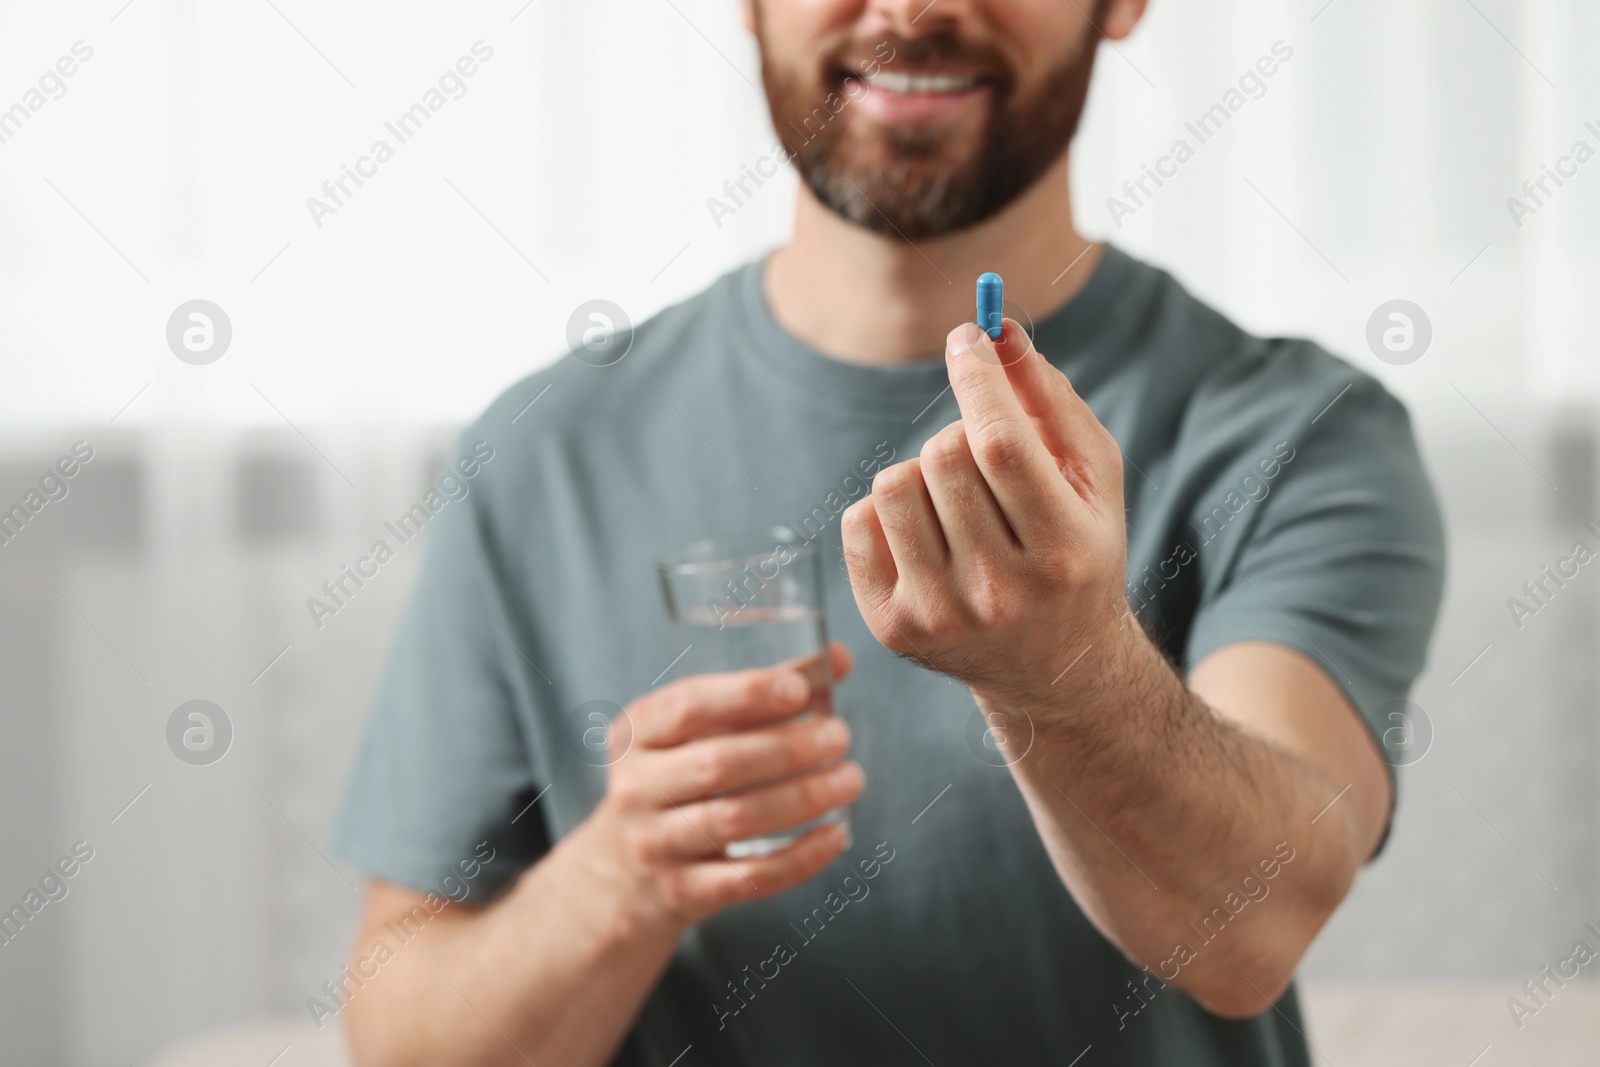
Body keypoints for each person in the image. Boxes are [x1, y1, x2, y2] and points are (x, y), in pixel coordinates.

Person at [328, 1, 1445, 1064]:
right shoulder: (542, 451)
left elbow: (1257, 928)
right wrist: (628, 871)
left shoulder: (1299, 432)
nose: (909, 13)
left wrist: (1066, 669)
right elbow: (407, 1037)